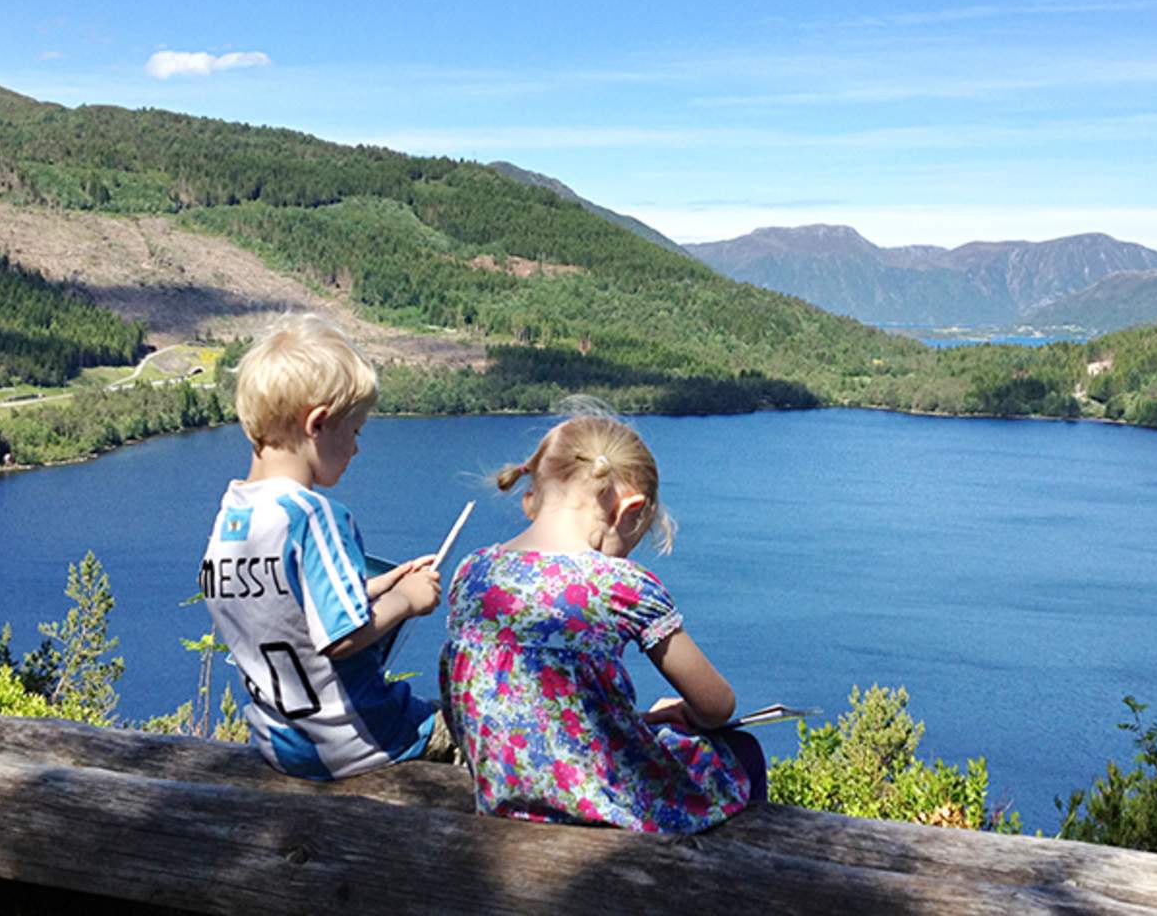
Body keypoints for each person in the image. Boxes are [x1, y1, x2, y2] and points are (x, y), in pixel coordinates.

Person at [438, 399, 765, 831]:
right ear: (626, 509)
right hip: (604, 810)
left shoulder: (473, 573)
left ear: (531, 498)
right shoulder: (621, 584)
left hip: (504, 801)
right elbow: (718, 704)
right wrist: (685, 712)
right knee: (743, 752)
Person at [200, 312, 452, 778]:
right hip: (362, 740)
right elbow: (340, 638)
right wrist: (407, 599)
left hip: (283, 745)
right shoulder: (313, 517)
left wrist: (375, 587)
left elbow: (287, 607)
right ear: (317, 423)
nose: (356, 448)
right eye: (354, 431)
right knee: (469, 715)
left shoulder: (233, 517)